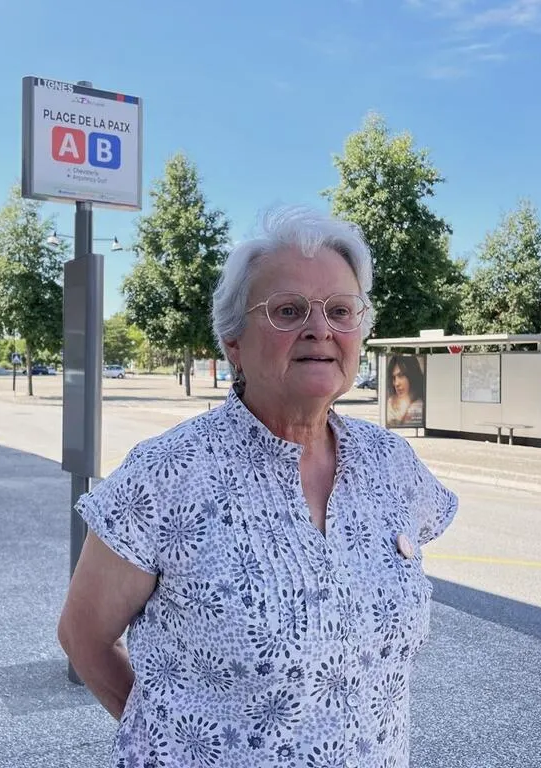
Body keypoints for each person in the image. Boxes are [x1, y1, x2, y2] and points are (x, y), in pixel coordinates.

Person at [58, 206, 459, 768]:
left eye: (340, 311)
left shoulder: (391, 465)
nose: (320, 329)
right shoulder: (167, 474)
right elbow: (84, 636)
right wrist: (170, 741)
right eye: (288, 310)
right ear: (233, 343)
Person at [386, 356, 425, 427]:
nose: (396, 383)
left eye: (401, 376)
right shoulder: (390, 402)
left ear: (412, 376)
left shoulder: (418, 406)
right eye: (393, 378)